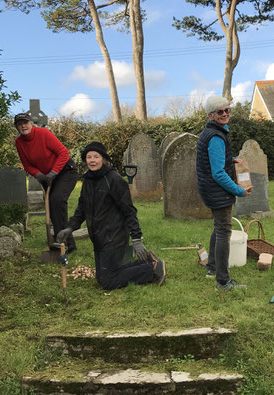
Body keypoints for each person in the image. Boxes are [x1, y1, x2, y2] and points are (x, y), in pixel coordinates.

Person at [56, 142, 166, 290]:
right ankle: (147, 262)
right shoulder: (88, 180)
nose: (92, 160)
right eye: (89, 157)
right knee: (103, 277)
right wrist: (70, 228)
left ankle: (152, 270)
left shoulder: (114, 179)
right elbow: (82, 209)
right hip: (99, 238)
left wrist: (136, 239)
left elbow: (129, 210)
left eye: (96, 156)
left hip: (114, 237)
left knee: (108, 281)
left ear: (104, 159)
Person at [196, 96, 253, 291]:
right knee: (223, 231)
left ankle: (212, 267)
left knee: (218, 228)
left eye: (227, 110)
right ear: (211, 115)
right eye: (220, 112)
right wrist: (238, 190)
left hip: (209, 188)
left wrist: (231, 159)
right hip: (216, 189)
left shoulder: (210, 132)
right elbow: (218, 173)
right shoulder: (216, 137)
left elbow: (215, 160)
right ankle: (223, 281)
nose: (225, 114)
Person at [14, 113, 78, 252]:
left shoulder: (43, 133)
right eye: (20, 124)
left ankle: (65, 242)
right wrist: (39, 175)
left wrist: (53, 172)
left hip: (65, 171)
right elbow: (27, 165)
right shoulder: (19, 143)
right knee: (51, 207)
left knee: (56, 200)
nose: (23, 126)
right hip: (46, 177)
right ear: (17, 128)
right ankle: (62, 242)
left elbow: (63, 153)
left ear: (31, 123)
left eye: (25, 122)